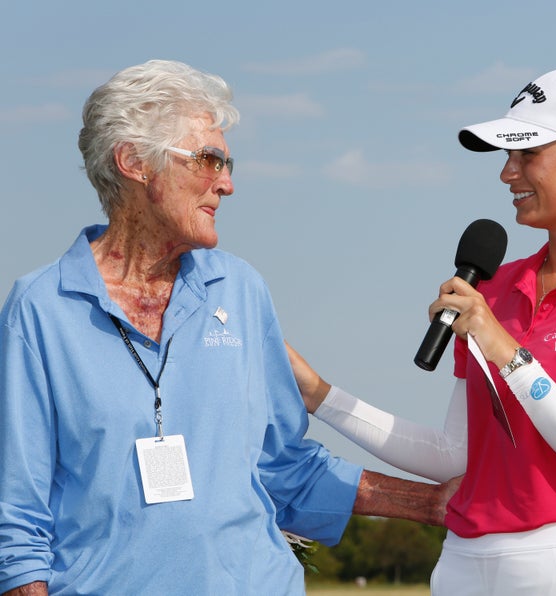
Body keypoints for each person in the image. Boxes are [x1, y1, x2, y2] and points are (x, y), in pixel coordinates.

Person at [0, 60, 453, 596]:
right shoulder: (41, 308)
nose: (228, 184)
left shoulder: (240, 291)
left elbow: (284, 469)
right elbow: (17, 518)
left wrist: (432, 503)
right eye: (209, 160)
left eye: (227, 162)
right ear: (134, 162)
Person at [288, 67, 556, 595]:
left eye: (527, 155)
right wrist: (320, 397)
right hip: (462, 564)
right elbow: (456, 455)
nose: (507, 174)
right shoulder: (494, 292)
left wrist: (505, 350)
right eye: (506, 157)